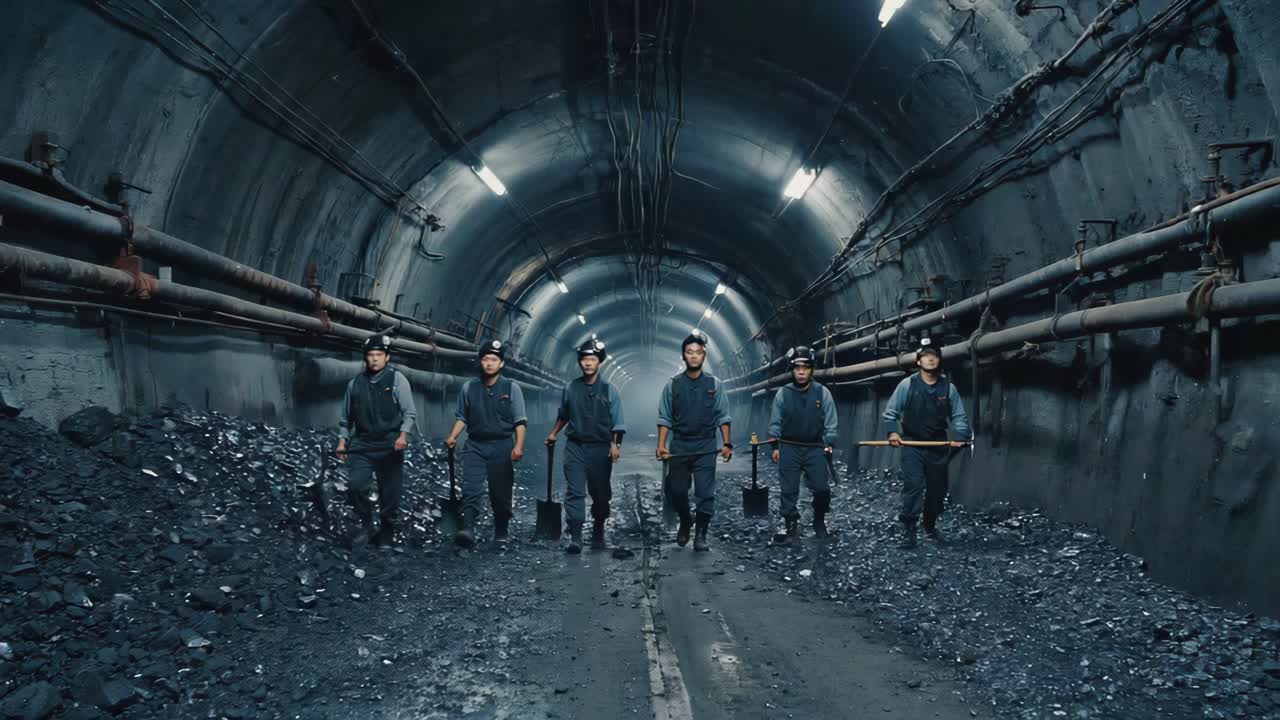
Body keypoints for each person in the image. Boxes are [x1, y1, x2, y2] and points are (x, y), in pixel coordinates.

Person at [881, 337, 971, 548]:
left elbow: (959, 417)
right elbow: (891, 413)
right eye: (925, 356)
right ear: (919, 361)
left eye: (934, 355)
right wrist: (893, 433)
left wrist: (959, 437)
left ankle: (929, 525)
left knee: (937, 490)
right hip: (912, 444)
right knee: (913, 485)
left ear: (939, 360)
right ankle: (909, 529)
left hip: (937, 445)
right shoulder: (907, 385)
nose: (930, 359)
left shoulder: (948, 389)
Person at [335, 334, 418, 547]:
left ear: (387, 357)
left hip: (390, 444)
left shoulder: (397, 380)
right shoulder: (355, 385)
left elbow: (409, 413)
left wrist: (402, 436)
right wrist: (342, 442)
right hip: (362, 444)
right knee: (356, 486)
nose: (374, 359)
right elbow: (346, 419)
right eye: (370, 355)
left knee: (390, 493)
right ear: (366, 358)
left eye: (379, 355)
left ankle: (386, 532)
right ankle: (367, 523)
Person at [545, 339, 626, 553]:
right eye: (584, 359)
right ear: (580, 363)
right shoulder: (571, 388)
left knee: (600, 493)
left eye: (592, 359)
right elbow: (564, 415)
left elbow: (617, 421)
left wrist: (616, 445)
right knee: (575, 491)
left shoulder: (610, 390)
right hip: (576, 447)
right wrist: (553, 433)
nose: (587, 363)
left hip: (600, 449)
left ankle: (598, 528)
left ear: (598, 362)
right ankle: (576, 537)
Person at [444, 340, 527, 547]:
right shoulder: (469, 388)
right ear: (480, 362)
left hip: (502, 446)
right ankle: (468, 529)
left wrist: (518, 446)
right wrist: (453, 436)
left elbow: (520, 421)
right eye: (485, 359)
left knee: (500, 493)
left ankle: (501, 532)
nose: (489, 363)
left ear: (501, 364)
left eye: (494, 359)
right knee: (471, 487)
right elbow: (462, 416)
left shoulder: (511, 388)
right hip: (475, 445)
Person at [656, 330, 732, 551]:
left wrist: (726, 443)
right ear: (683, 356)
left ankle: (701, 534)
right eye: (689, 352)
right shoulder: (672, 385)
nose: (694, 356)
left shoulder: (715, 384)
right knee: (676, 490)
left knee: (705, 493)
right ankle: (685, 520)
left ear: (704, 356)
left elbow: (723, 416)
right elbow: (665, 417)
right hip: (679, 445)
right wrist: (661, 444)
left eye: (698, 352)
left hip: (706, 445)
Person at [767, 345, 838, 543]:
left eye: (805, 367)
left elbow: (831, 421)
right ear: (792, 369)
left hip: (815, 447)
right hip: (789, 446)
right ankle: (791, 527)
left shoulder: (822, 393)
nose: (801, 371)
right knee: (788, 489)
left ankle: (819, 521)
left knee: (822, 488)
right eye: (797, 367)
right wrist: (774, 447)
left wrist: (829, 442)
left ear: (811, 369)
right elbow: (775, 422)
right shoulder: (783, 393)